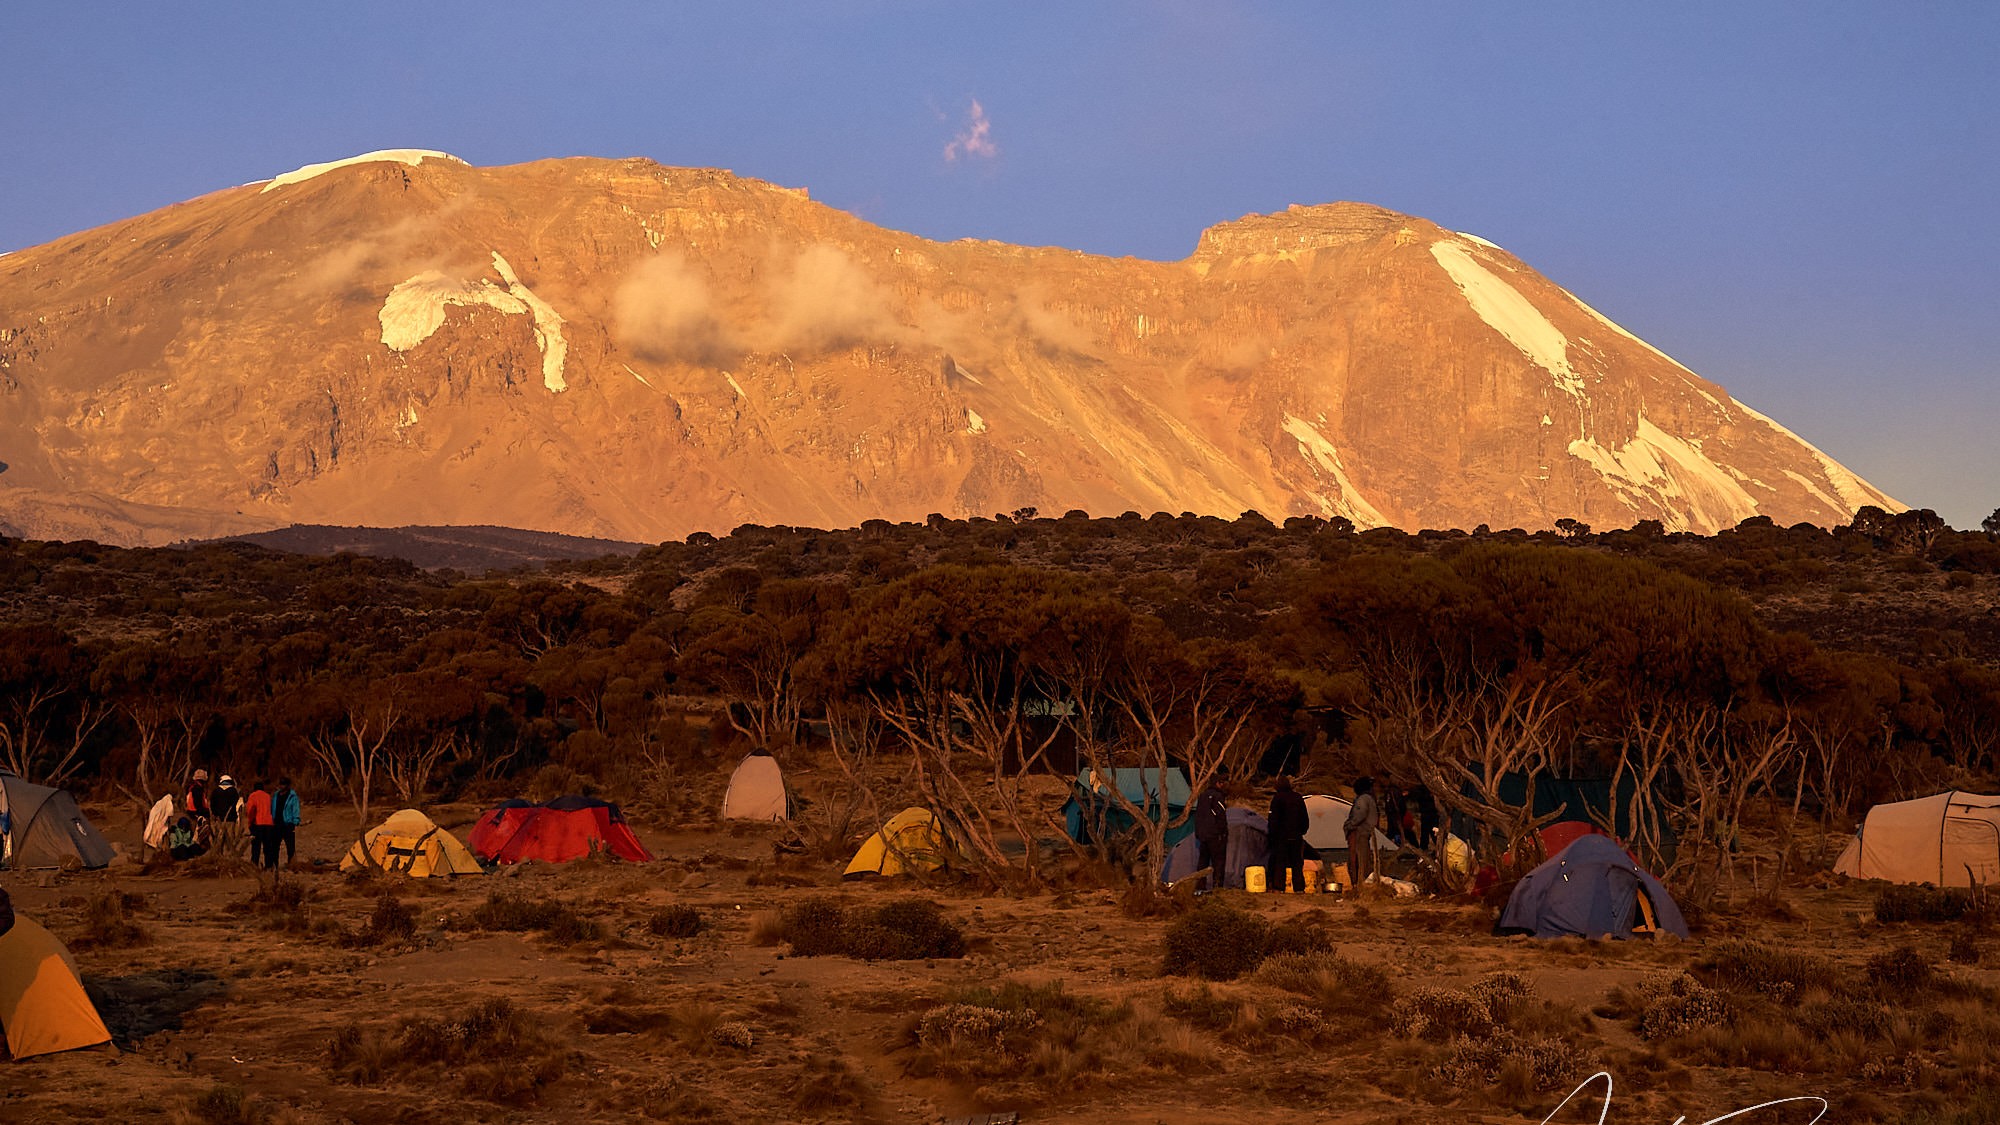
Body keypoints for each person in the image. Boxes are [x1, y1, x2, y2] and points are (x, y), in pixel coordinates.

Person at [1266, 775, 1309, 894]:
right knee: (1297, 863)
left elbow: (1273, 819)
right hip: (1296, 836)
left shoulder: (1277, 798)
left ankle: (1279, 887)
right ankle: (1299, 888)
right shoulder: (1298, 797)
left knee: (1280, 862)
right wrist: (1302, 831)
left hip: (1281, 836)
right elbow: (1304, 817)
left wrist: (1272, 835)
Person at [1192, 777, 1230, 891]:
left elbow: (1198, 816)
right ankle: (1217, 887)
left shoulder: (1202, 796)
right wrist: (1223, 832)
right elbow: (1221, 816)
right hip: (1215, 835)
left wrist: (1199, 833)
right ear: (1218, 783)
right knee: (1218, 862)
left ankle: (1200, 886)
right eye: (1222, 783)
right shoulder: (1217, 796)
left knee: (1203, 861)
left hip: (1203, 835)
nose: (1223, 785)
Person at [1345, 776, 1380, 888]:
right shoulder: (1369, 798)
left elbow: (1359, 815)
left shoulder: (1363, 799)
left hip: (1359, 832)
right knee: (1363, 856)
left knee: (1357, 858)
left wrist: (1350, 825)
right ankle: (1361, 881)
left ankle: (1358, 882)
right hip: (1365, 831)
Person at [244, 779, 277, 870]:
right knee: (268, 847)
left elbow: (250, 811)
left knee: (256, 847)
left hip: (257, 823)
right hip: (269, 824)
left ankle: (254, 866)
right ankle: (269, 866)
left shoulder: (253, 796)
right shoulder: (267, 796)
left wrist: (250, 823)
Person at [272, 777, 302, 867]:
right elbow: (273, 807)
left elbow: (295, 809)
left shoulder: (293, 796)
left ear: (287, 785)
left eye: (283, 784)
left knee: (290, 847)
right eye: (280, 784)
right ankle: (275, 864)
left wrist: (295, 821)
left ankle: (291, 864)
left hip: (288, 824)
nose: (281, 786)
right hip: (276, 824)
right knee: (274, 846)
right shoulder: (276, 795)